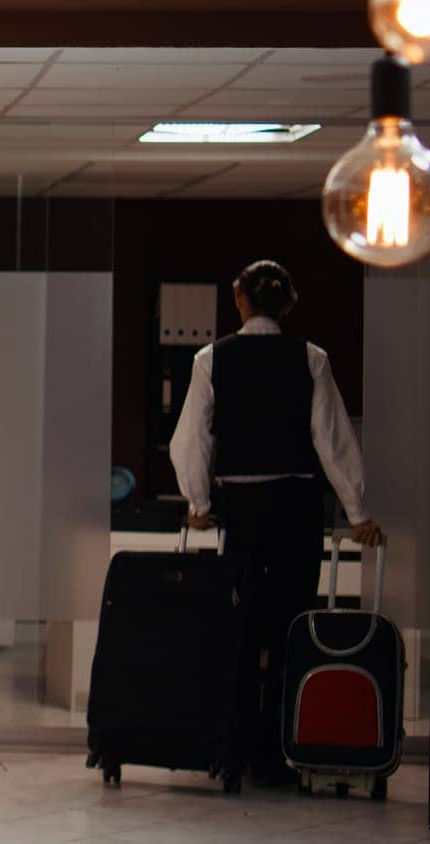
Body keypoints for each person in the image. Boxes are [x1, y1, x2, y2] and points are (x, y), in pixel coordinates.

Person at [169, 259, 383, 787]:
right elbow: (332, 440)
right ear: (288, 304)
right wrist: (357, 513)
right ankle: (278, 752)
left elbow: (191, 439)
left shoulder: (210, 358)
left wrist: (197, 502)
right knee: (291, 630)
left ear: (239, 301)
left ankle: (234, 752)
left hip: (241, 511)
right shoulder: (310, 358)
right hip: (296, 508)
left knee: (239, 631)